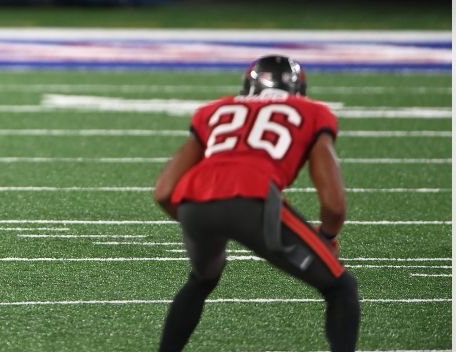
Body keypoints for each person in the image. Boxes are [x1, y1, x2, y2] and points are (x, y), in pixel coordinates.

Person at [152, 55, 361, 352]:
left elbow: (163, 191)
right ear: (298, 90)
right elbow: (334, 203)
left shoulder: (215, 110)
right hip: (253, 199)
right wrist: (327, 236)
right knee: (341, 288)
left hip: (193, 201)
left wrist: (202, 224)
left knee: (202, 279)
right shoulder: (313, 112)